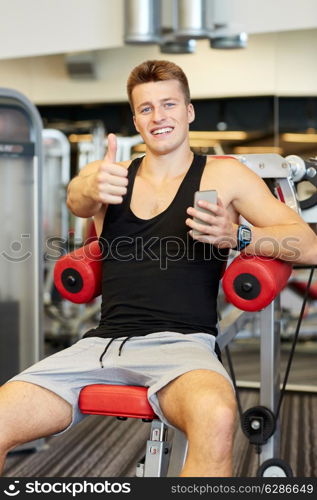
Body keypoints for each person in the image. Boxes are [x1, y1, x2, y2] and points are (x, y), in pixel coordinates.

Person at [0, 60, 317, 478]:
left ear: (189, 111)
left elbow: (308, 245)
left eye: (168, 104)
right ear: (135, 119)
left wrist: (237, 236)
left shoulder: (225, 174)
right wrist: (86, 185)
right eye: (146, 109)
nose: (158, 116)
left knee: (217, 416)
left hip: (181, 346)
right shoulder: (113, 178)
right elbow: (78, 199)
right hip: (100, 345)